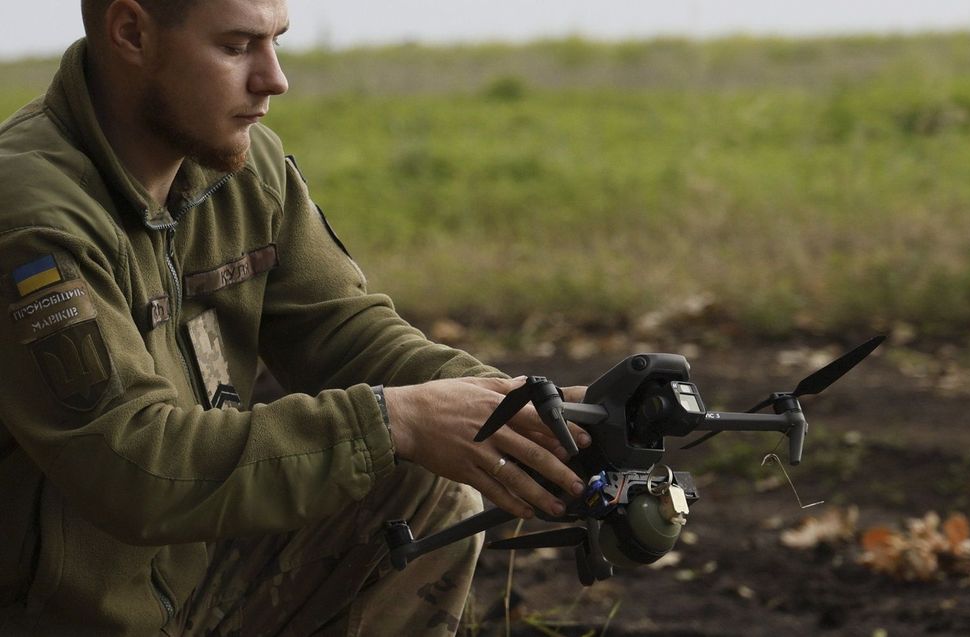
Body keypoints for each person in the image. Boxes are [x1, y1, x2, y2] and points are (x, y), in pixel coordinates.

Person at [0, 0, 592, 634]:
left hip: (187, 578)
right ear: (131, 33)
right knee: (400, 443)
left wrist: (516, 409)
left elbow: (343, 329)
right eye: (236, 47)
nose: (274, 78)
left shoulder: (239, 165)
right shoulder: (32, 215)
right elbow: (134, 463)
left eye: (276, 41)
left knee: (426, 493)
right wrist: (394, 418)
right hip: (63, 615)